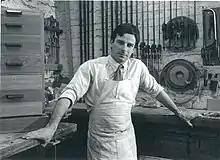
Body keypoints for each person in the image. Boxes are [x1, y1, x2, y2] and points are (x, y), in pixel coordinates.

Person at [22, 23, 200, 160]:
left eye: (130, 45)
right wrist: (51, 128)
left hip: (126, 141)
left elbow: (157, 91)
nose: (124, 49)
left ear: (134, 48)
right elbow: (69, 94)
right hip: (100, 141)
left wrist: (178, 111)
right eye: (121, 42)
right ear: (111, 42)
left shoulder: (137, 67)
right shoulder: (92, 67)